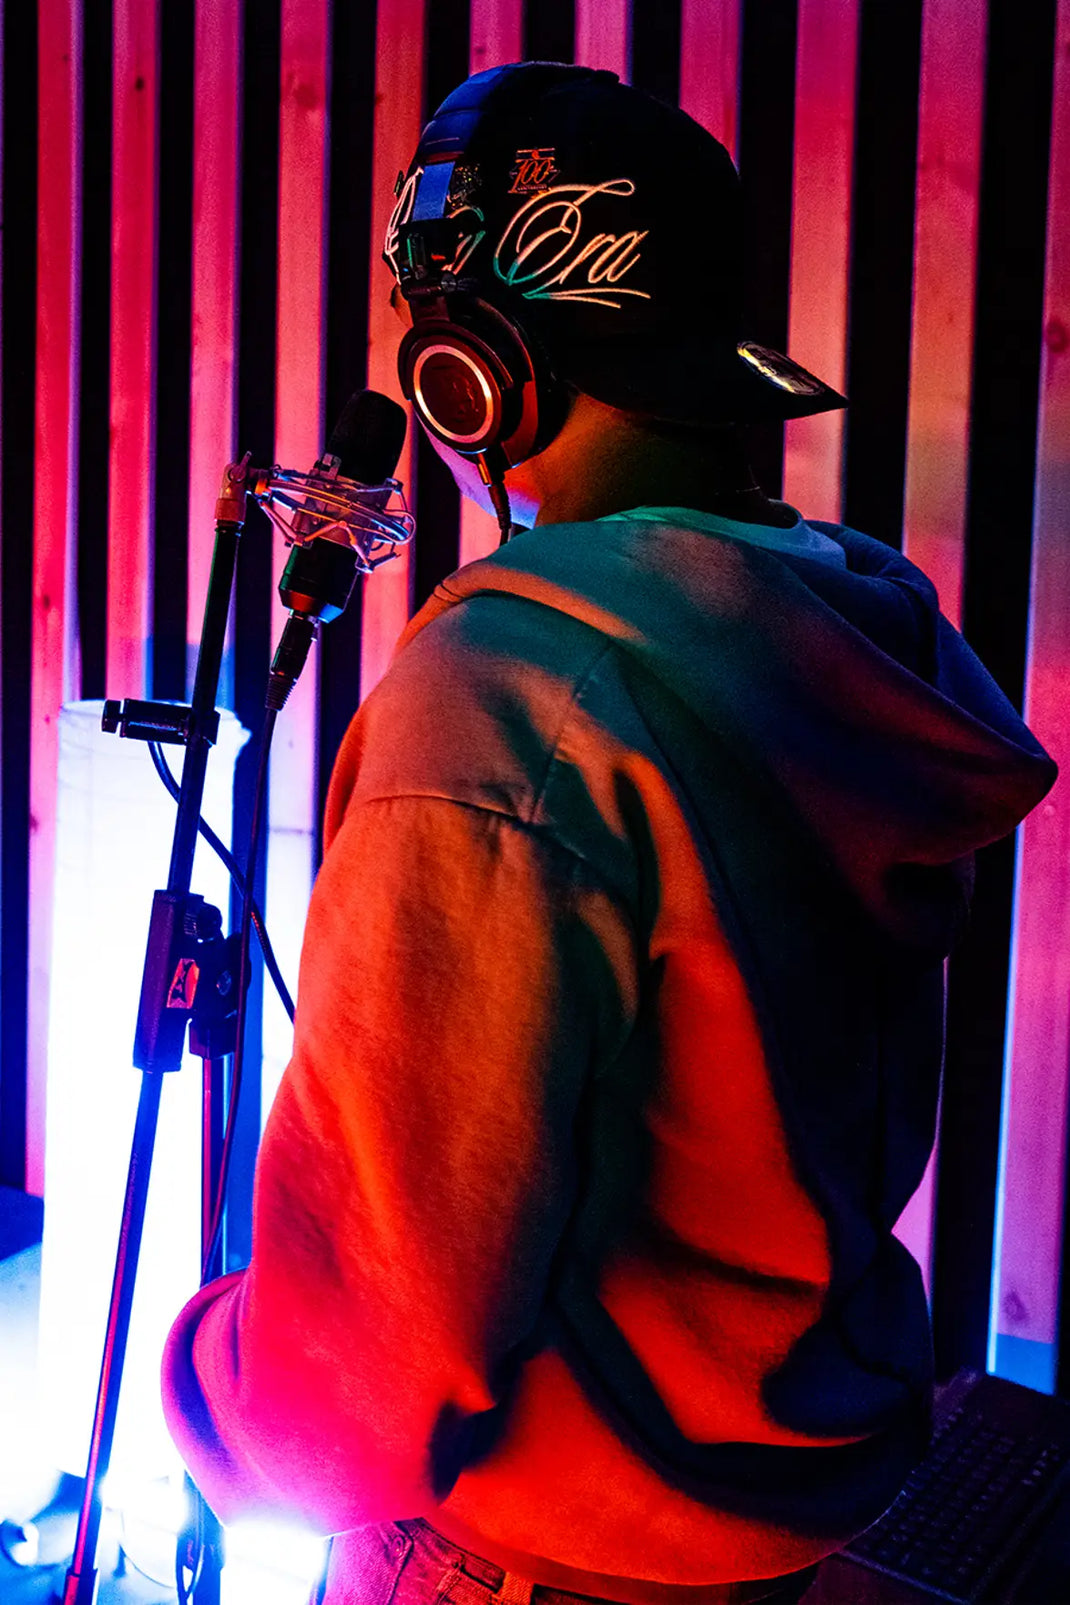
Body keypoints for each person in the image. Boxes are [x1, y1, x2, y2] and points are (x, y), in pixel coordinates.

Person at [162, 65, 1056, 1605]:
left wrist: (214, 1390)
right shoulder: (849, 629)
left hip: (530, 1545)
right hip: (780, 1513)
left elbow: (374, 1352)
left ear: (471, 364)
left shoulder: (511, 692)